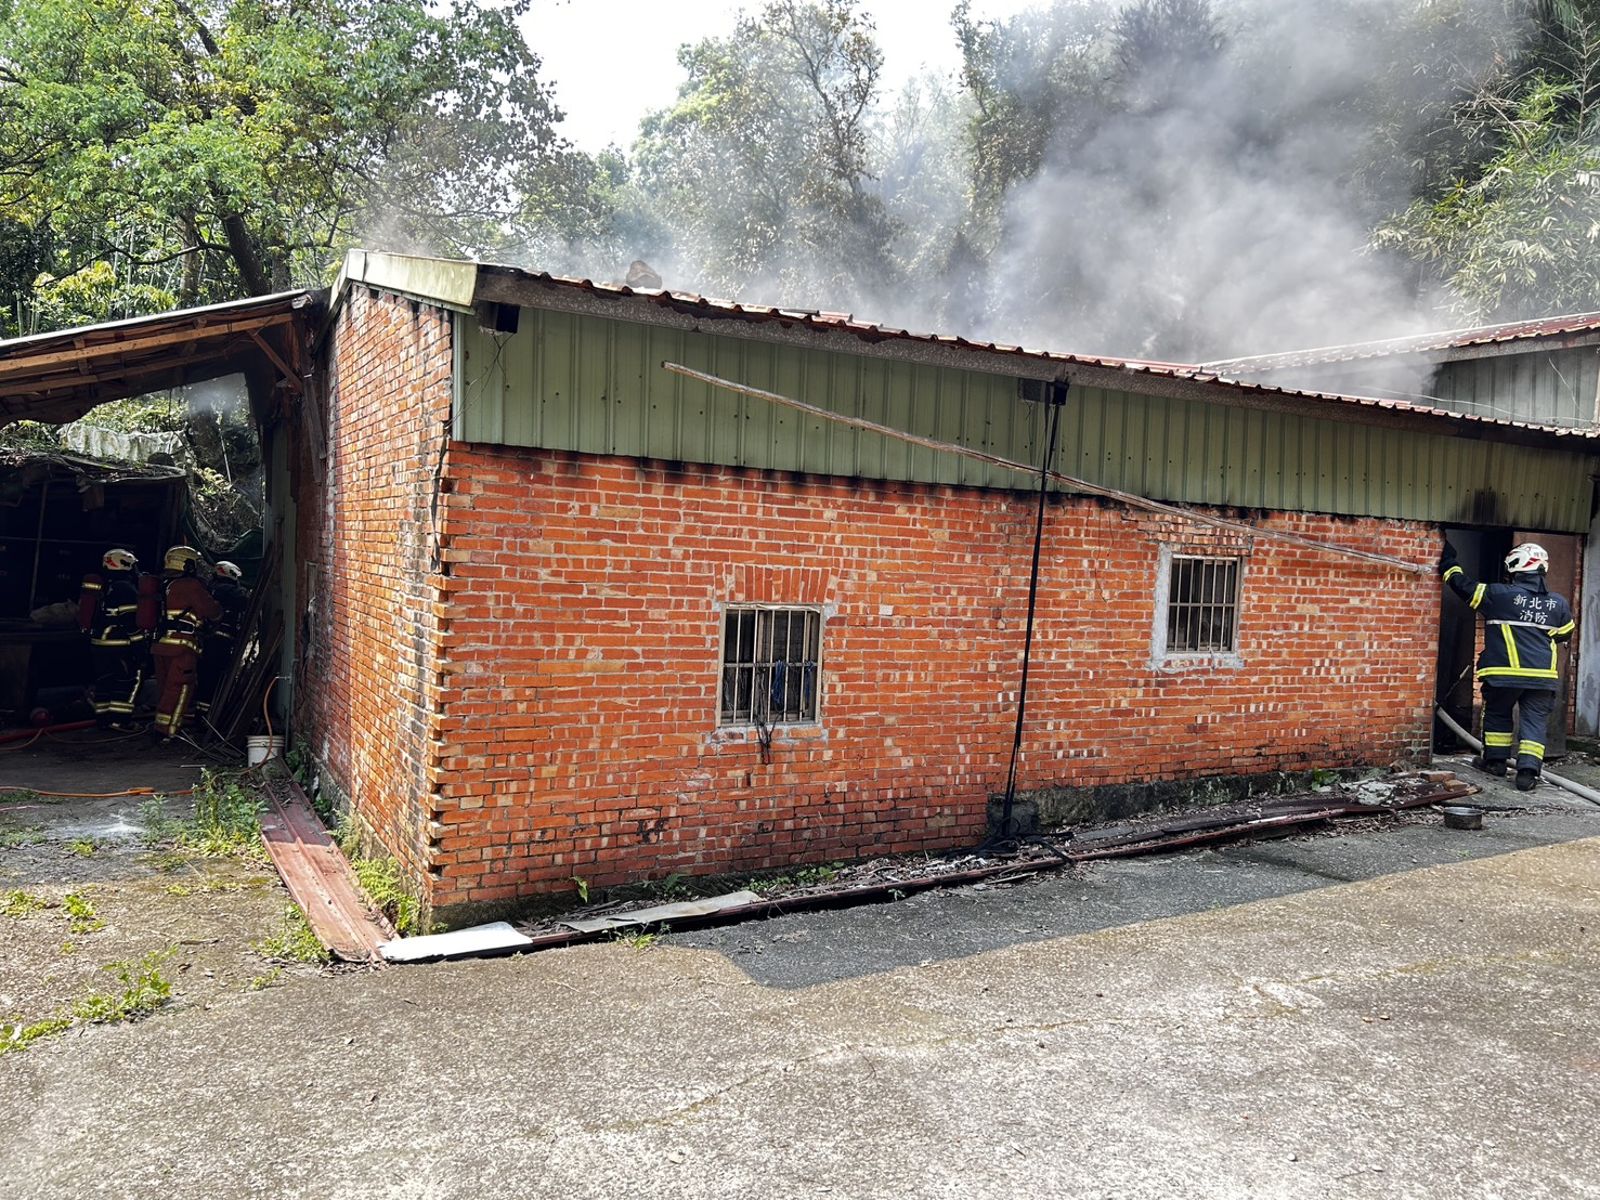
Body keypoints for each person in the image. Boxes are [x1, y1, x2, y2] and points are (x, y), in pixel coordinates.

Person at [1440, 540, 1576, 790]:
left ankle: (1495, 762)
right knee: (1534, 722)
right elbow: (1564, 633)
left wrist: (1449, 561)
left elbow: (1461, 585)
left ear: (1516, 566)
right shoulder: (1558, 603)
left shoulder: (1498, 595)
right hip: (1542, 677)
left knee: (1498, 715)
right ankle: (1528, 773)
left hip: (1503, 674)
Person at [151, 545, 221, 741]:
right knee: (180, 687)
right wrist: (219, 610)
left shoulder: (164, 584)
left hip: (161, 645)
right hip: (181, 646)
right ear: (186, 564)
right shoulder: (190, 585)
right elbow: (211, 611)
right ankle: (168, 731)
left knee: (165, 687)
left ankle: (161, 726)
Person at [76, 548, 146, 728]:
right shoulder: (125, 588)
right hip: (118, 644)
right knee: (128, 681)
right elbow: (129, 620)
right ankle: (120, 721)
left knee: (104, 681)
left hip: (98, 643)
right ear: (125, 564)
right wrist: (140, 646)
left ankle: (103, 719)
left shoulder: (104, 585)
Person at [195, 560, 249, 721]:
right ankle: (208, 715)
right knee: (215, 676)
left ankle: (201, 713)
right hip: (220, 640)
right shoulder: (227, 589)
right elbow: (244, 601)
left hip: (207, 639)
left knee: (205, 676)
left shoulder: (210, 588)